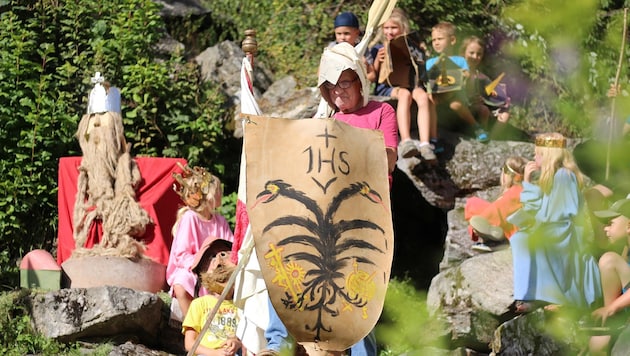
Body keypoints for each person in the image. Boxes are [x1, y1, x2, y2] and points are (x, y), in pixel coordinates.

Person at [258, 42, 395, 356]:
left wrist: (354, 146)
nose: (338, 92)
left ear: (360, 81)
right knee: (284, 260)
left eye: (344, 83)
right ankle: (277, 346)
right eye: (331, 87)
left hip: (365, 219)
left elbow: (388, 158)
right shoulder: (324, 124)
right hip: (326, 218)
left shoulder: (381, 111)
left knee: (359, 292)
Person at [508, 132, 601, 313]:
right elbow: (536, 209)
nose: (534, 158)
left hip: (565, 232)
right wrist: (527, 181)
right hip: (552, 227)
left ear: (548, 155)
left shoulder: (564, 176)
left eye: (538, 154)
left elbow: (563, 213)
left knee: (536, 239)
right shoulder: (552, 178)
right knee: (519, 238)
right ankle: (528, 294)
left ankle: (559, 297)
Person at [167, 164, 234, 320]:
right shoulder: (190, 218)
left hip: (217, 268)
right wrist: (202, 266)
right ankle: (193, 324)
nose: (221, 194)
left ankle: (222, 323)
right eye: (218, 191)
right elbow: (181, 255)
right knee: (181, 283)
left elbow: (230, 247)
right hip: (193, 268)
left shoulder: (220, 221)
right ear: (208, 195)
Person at [370, 8, 437, 162]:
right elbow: (373, 76)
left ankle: (425, 143)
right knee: (405, 95)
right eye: (386, 28)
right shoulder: (377, 48)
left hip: (411, 83)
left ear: (402, 28)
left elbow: (421, 68)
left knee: (422, 97)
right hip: (389, 87)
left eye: (393, 28)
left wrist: (421, 53)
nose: (389, 32)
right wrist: (378, 61)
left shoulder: (411, 44)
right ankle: (406, 141)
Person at [426, 22, 489, 143]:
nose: (436, 42)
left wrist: (463, 74)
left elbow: (466, 78)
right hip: (438, 96)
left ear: (452, 40)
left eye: (440, 39)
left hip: (456, 96)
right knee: (430, 99)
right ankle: (433, 137)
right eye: (433, 40)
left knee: (455, 104)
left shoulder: (459, 60)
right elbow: (427, 80)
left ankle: (476, 127)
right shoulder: (430, 62)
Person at [182, 236, 242, 356]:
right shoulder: (199, 304)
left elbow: (247, 338)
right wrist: (214, 353)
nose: (219, 260)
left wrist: (237, 342)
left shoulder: (242, 306)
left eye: (224, 253)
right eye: (212, 256)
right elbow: (189, 344)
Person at [588, 197, 630, 356]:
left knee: (609, 260)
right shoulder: (626, 250)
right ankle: (608, 324)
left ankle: (610, 321)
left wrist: (612, 308)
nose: (605, 229)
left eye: (610, 223)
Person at [464, 156, 527, 252]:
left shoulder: (517, 191)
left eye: (505, 169)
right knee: (472, 203)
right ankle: (492, 236)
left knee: (484, 212)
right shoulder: (515, 191)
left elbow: (498, 210)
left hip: (511, 230)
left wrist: (480, 223)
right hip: (501, 225)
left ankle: (496, 237)